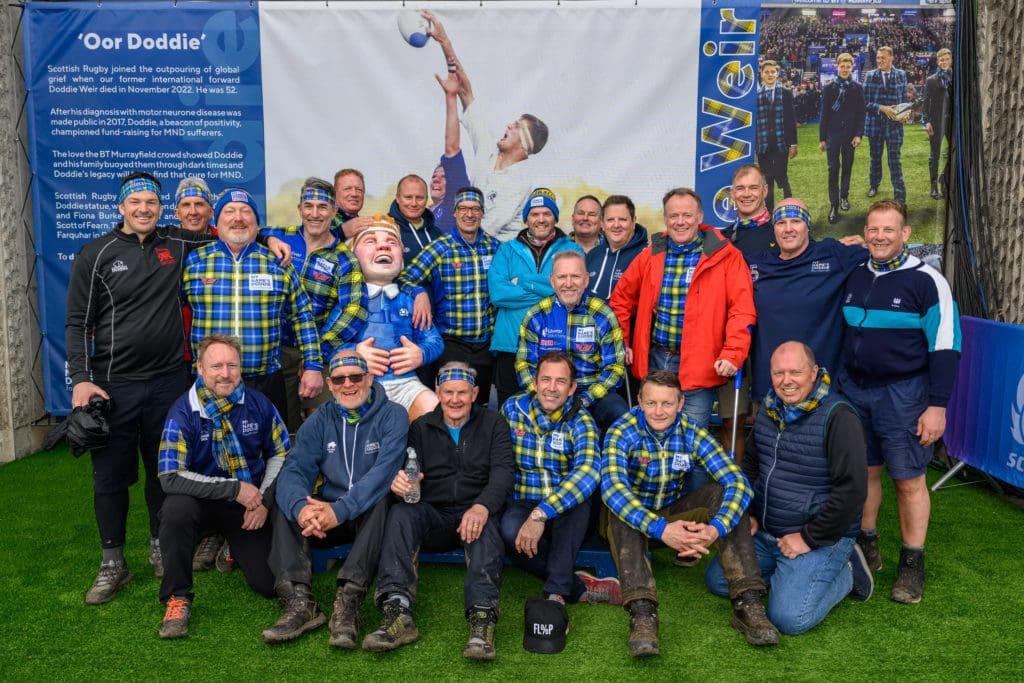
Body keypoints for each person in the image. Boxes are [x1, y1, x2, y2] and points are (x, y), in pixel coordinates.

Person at [66, 172, 287, 605]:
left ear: (160, 208)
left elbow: (233, 230)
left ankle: (157, 544)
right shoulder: (96, 253)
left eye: (151, 202)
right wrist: (81, 379)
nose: (144, 209)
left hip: (169, 379)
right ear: (121, 207)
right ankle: (113, 561)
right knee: (111, 476)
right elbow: (77, 321)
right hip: (114, 385)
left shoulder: (179, 242)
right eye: (136, 203)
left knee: (161, 470)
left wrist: (273, 238)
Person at [601, 370, 777, 655]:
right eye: (651, 403)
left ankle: (748, 603)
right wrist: (661, 529)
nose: (659, 411)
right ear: (640, 402)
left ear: (681, 403)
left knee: (723, 494)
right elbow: (612, 489)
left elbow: (738, 482)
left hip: (672, 511)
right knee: (622, 507)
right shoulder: (622, 430)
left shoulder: (692, 431)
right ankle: (642, 613)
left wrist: (716, 528)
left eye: (667, 404)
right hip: (627, 523)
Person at [704, 342, 873, 637]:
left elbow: (853, 491)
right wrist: (751, 513)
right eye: (779, 373)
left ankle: (847, 571)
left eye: (795, 372)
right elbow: (753, 466)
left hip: (819, 536)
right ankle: (789, 574)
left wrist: (809, 538)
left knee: (788, 618)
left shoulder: (839, 417)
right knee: (718, 581)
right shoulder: (770, 409)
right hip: (768, 532)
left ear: (814, 373)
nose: (787, 381)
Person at [839, 200, 961, 604]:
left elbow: (945, 346)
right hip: (855, 390)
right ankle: (867, 546)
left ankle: (912, 563)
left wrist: (937, 405)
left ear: (906, 234)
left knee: (908, 480)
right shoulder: (856, 273)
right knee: (865, 472)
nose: (879, 237)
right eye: (873, 229)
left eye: (889, 230)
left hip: (904, 394)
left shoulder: (928, 281)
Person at [364, 362, 514, 659]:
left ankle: (482, 622)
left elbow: (503, 473)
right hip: (433, 511)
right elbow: (407, 471)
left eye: (462, 392)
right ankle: (398, 612)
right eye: (448, 392)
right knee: (401, 514)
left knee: (486, 523)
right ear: (437, 392)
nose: (455, 399)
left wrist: (482, 506)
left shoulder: (494, 423)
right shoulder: (420, 427)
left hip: (474, 513)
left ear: (475, 393)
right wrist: (402, 484)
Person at [610, 188, 755, 491]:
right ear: (665, 219)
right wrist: (621, 341)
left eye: (686, 215)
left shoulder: (726, 256)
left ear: (700, 217)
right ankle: (655, 499)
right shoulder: (652, 253)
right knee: (651, 434)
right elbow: (621, 299)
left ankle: (693, 508)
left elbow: (741, 311)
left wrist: (733, 353)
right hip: (656, 360)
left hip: (700, 365)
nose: (680, 222)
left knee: (693, 441)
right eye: (673, 215)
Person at [266, 351, 408, 646]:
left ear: (369, 378)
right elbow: (295, 469)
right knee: (287, 498)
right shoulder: (320, 420)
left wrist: (339, 511)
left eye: (356, 377)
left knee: (383, 499)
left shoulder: (393, 415)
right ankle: (299, 601)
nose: (348, 384)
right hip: (329, 511)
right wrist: (303, 509)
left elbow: (383, 474)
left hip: (367, 515)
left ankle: (349, 602)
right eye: (340, 379)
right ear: (329, 384)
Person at [155, 334, 289, 639]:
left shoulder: (259, 404)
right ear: (200, 368)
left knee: (268, 585)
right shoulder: (182, 412)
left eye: (232, 365)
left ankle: (233, 547)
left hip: (247, 506)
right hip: (201, 503)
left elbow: (281, 452)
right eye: (216, 366)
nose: (225, 373)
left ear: (241, 367)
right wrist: (233, 488)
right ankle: (177, 598)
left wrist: (264, 500)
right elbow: (170, 476)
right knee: (175, 509)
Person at [182, 188, 323, 420]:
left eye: (246, 211)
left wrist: (313, 366)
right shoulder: (194, 260)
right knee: (207, 451)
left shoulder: (277, 262)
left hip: (265, 380)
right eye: (230, 211)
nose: (238, 218)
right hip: (209, 381)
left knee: (271, 451)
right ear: (218, 220)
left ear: (257, 223)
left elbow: (303, 316)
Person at [500, 352, 618, 608]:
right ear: (534, 382)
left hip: (567, 508)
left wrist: (542, 513)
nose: (551, 388)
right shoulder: (512, 409)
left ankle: (555, 596)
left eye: (561, 381)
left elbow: (587, 472)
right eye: (545, 379)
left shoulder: (582, 420)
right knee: (509, 531)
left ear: (573, 387)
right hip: (524, 499)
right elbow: (498, 458)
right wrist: (532, 513)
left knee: (579, 504)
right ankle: (576, 586)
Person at [424, 10, 550, 241]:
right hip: (468, 246)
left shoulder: (519, 184)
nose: (509, 126)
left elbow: (483, 231)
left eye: (517, 127)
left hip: (494, 259)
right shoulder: (488, 150)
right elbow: (465, 92)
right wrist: (444, 42)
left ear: (524, 145)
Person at [264, 178, 366, 431]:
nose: (314, 213)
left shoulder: (345, 258)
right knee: (280, 426)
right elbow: (248, 233)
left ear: (333, 211)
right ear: (299, 209)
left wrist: (314, 354)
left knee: (322, 425)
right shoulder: (279, 237)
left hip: (319, 352)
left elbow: (353, 311)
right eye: (308, 206)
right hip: (274, 350)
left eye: (322, 207)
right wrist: (265, 238)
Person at [746, 200, 866, 404]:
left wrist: (867, 243)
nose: (788, 229)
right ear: (773, 229)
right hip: (771, 386)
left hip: (821, 387)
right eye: (781, 223)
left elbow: (886, 255)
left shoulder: (834, 254)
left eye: (796, 221)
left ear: (808, 226)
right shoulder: (757, 263)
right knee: (769, 437)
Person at [398, 187, 500, 405]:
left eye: (475, 209)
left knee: (479, 406)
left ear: (483, 213)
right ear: (454, 212)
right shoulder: (440, 247)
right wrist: (419, 293)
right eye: (463, 208)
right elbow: (403, 279)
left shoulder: (494, 247)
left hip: (485, 345)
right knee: (451, 403)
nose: (469, 214)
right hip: (451, 343)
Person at [488, 188, 583, 406]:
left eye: (546, 214)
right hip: (510, 345)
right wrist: (547, 288)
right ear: (526, 219)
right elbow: (498, 293)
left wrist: (521, 281)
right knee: (509, 412)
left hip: (555, 345)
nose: (541, 219)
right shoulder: (507, 250)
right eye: (534, 214)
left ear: (555, 217)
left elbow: (570, 292)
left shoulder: (572, 249)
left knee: (553, 412)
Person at [516, 251, 628, 432]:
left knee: (618, 412)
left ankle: (606, 459)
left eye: (575, 276)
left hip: (591, 390)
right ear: (552, 281)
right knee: (513, 408)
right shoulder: (536, 315)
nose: (568, 284)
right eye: (562, 277)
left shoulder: (603, 314)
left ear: (585, 280)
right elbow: (524, 365)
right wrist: (543, 395)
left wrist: (585, 399)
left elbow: (615, 368)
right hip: (547, 390)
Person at [348, 217, 442, 422]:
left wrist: (421, 353)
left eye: (392, 242)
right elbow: (326, 343)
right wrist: (353, 353)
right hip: (362, 384)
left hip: (405, 384)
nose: (383, 246)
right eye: (371, 241)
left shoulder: (409, 301)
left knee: (433, 412)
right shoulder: (349, 300)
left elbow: (434, 340)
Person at [717, 165, 775, 466]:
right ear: (731, 194)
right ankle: (735, 489)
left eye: (753, 188)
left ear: (765, 191)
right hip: (735, 342)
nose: (747, 194)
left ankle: (772, 486)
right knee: (733, 419)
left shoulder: (781, 231)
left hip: (772, 339)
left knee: (774, 419)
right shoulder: (722, 240)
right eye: (740, 189)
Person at [819, 53, 865, 224]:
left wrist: (858, 135)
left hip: (850, 137)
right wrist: (822, 138)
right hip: (832, 135)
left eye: (848, 66)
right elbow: (824, 115)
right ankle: (834, 205)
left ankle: (844, 197)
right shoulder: (829, 88)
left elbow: (861, 114)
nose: (845, 69)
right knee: (833, 170)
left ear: (852, 67)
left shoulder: (857, 88)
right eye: (842, 66)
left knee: (847, 167)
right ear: (836, 67)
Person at [863, 46, 909, 203]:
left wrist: (905, 114)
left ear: (891, 58)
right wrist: (882, 108)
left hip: (895, 127)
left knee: (894, 160)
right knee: (875, 158)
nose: (879, 60)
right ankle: (873, 185)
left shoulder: (901, 75)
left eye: (882, 57)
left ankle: (900, 195)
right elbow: (864, 102)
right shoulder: (869, 76)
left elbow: (904, 101)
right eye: (877, 57)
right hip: (875, 125)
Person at [430, 70, 473, 234]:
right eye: (434, 176)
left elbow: (452, 148)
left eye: (443, 177)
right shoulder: (423, 213)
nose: (437, 180)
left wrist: (451, 98)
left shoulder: (452, 203)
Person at [585, 195, 650, 301]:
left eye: (622, 219)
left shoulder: (646, 256)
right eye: (610, 220)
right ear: (602, 223)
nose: (616, 225)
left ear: (633, 222)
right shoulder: (592, 255)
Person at [756, 60, 797, 210]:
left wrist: (793, 144)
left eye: (773, 72)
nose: (770, 74)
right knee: (767, 180)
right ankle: (770, 212)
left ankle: (789, 204)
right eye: (767, 72)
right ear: (761, 74)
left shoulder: (785, 92)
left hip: (781, 143)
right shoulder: (755, 95)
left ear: (777, 74)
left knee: (782, 176)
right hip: (763, 144)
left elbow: (791, 119)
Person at [388, 174, 442, 264]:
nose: (414, 203)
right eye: (408, 197)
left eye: (419, 198)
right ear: (397, 198)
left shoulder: (437, 234)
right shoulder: (385, 229)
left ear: (426, 199)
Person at [923, 48, 953, 200]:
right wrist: (926, 121)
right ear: (938, 62)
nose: (944, 62)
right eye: (941, 60)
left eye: (946, 59)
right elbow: (925, 103)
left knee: (956, 154)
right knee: (934, 155)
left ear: (951, 60)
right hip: (936, 121)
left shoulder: (956, 78)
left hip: (953, 122)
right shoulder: (931, 80)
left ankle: (943, 177)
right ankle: (934, 187)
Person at [332, 168, 376, 239]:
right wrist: (341, 233)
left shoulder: (366, 225)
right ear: (334, 193)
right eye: (347, 188)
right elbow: (313, 245)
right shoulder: (323, 219)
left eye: (359, 189)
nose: (354, 194)